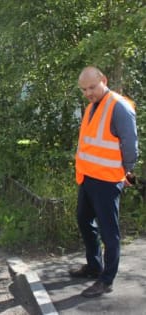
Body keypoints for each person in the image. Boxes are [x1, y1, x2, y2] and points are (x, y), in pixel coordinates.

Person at [70, 66, 138, 298]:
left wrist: (126, 172)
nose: (88, 92)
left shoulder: (119, 106)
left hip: (107, 181)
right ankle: (94, 265)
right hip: (88, 177)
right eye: (84, 89)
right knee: (84, 220)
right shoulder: (92, 106)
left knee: (110, 232)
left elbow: (130, 147)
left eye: (92, 87)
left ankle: (106, 279)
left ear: (104, 80)